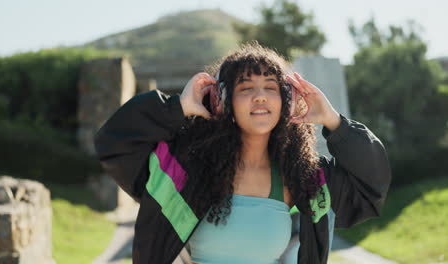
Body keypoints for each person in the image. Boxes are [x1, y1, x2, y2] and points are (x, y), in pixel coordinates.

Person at [93, 41, 391, 264]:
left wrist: (334, 121)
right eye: (245, 87)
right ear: (224, 101)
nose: (260, 95)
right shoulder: (183, 169)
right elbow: (113, 143)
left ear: (285, 102)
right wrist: (177, 109)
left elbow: (370, 187)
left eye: (270, 87)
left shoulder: (304, 178)